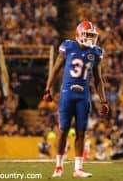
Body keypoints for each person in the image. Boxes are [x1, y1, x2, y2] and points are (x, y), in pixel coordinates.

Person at [43, 21, 108, 178]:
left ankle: (78, 168)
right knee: (63, 130)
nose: (90, 40)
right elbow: (55, 69)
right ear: (79, 35)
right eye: (88, 35)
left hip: (83, 96)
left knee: (81, 132)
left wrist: (103, 100)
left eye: (92, 36)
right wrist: (47, 88)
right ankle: (58, 166)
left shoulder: (96, 52)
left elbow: (98, 79)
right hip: (67, 94)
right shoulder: (68, 47)